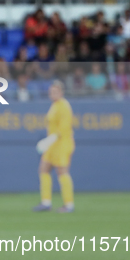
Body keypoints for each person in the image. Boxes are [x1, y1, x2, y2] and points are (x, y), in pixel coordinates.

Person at [33, 81, 75, 213]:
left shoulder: (63, 106)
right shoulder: (54, 105)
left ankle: (68, 204)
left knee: (62, 171)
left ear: (61, 93)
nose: (52, 94)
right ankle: (46, 202)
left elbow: (63, 128)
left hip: (62, 143)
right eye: (51, 92)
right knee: (44, 169)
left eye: (55, 92)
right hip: (53, 144)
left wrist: (48, 140)